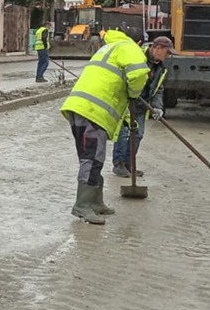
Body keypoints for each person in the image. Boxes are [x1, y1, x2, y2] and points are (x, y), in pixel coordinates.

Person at [58, 28, 150, 224]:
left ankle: (96, 202)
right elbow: (139, 73)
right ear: (140, 42)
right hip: (92, 111)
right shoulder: (130, 48)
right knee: (91, 159)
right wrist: (134, 93)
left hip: (81, 109)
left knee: (93, 158)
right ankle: (82, 205)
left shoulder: (110, 47)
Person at [111, 36, 173, 178]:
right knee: (124, 132)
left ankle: (129, 164)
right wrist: (131, 91)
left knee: (138, 134)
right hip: (126, 102)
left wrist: (158, 107)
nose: (168, 56)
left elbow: (158, 89)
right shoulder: (138, 57)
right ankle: (119, 164)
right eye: (167, 52)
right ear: (157, 48)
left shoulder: (161, 69)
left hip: (141, 105)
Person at [34, 18, 53, 82]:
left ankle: (38, 76)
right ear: (47, 25)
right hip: (43, 48)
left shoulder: (39, 30)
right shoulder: (45, 30)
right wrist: (45, 46)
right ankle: (40, 76)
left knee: (40, 63)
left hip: (38, 48)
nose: (50, 28)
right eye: (50, 26)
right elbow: (44, 38)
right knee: (45, 63)